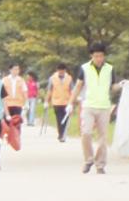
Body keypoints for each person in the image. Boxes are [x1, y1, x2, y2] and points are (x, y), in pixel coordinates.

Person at [69, 42, 118, 174]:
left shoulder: (110, 68)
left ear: (104, 56)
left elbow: (113, 87)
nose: (99, 59)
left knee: (103, 138)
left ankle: (100, 164)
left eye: (101, 56)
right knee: (86, 133)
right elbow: (78, 86)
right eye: (96, 56)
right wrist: (70, 103)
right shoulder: (84, 68)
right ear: (91, 56)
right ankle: (88, 160)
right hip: (88, 105)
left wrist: (122, 85)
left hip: (104, 106)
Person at [45, 63, 73, 142]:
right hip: (56, 102)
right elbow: (49, 90)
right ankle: (61, 134)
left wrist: (72, 102)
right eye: (60, 71)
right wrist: (46, 101)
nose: (61, 72)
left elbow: (72, 90)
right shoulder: (52, 78)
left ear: (65, 70)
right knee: (59, 119)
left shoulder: (69, 78)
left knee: (66, 119)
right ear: (57, 70)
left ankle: (63, 133)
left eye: (63, 71)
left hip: (67, 102)